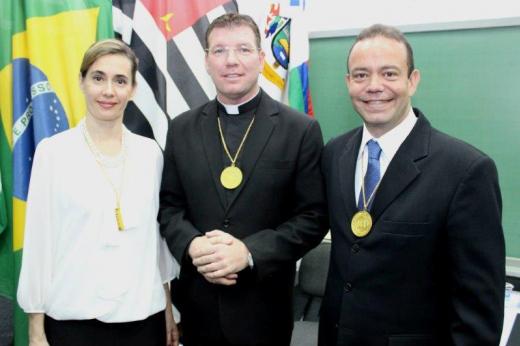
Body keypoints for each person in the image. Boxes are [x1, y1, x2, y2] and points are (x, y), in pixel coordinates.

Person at [318, 24, 505, 346]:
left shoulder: (466, 170)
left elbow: (478, 307)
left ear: (412, 80)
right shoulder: (335, 152)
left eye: (389, 73)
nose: (374, 86)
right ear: (349, 83)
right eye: (361, 75)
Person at [159, 13, 328, 346]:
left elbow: (313, 217)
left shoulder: (300, 130)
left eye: (243, 49)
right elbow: (169, 207)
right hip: (197, 307)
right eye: (219, 51)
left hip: (264, 310)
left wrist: (250, 252)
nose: (231, 61)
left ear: (261, 58)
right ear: (206, 61)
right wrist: (193, 246)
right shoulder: (181, 128)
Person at [17, 39, 179, 346]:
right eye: (98, 78)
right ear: (81, 82)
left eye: (120, 81)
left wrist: (169, 311)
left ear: (132, 90)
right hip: (73, 322)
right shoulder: (53, 153)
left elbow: (157, 244)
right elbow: (39, 243)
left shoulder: (150, 154)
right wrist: (36, 330)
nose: (108, 91)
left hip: (144, 321)